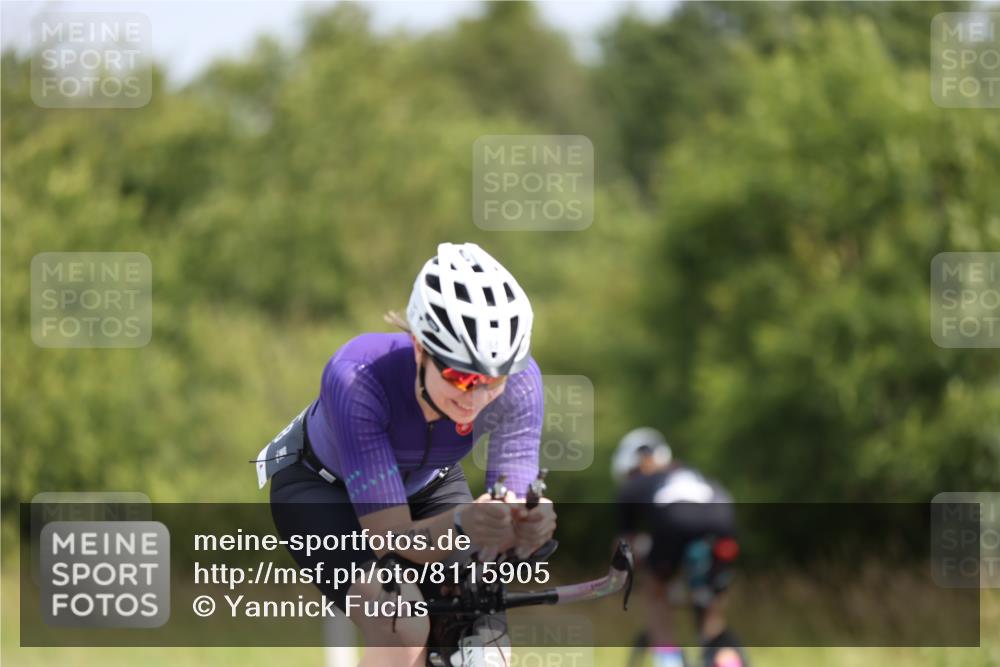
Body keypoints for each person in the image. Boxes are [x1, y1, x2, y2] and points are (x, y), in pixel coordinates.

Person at [262, 242, 557, 667]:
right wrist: (463, 525)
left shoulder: (521, 382)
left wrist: (528, 524)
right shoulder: (356, 377)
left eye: (493, 381)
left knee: (481, 631)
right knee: (401, 623)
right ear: (420, 348)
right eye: (460, 377)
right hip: (322, 492)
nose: (477, 397)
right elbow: (391, 539)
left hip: (430, 483)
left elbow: (509, 505)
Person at [613, 427, 749, 667]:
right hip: (722, 524)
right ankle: (725, 659)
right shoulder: (694, 474)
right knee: (711, 610)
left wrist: (628, 574)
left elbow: (624, 546)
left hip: (674, 525)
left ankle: (670, 660)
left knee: (656, 595)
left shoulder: (635, 484)